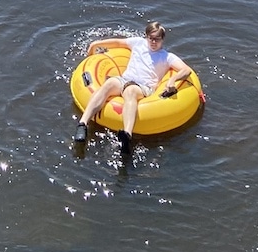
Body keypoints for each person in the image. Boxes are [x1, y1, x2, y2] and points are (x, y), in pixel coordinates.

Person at [74, 21, 190, 155]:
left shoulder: (167, 57)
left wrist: (173, 80)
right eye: (150, 38)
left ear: (162, 39)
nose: (153, 42)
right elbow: (118, 43)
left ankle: (127, 134)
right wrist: (96, 44)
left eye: (157, 39)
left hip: (143, 87)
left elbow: (186, 70)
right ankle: (82, 124)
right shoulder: (138, 43)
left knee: (130, 91)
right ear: (146, 37)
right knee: (109, 83)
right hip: (124, 79)